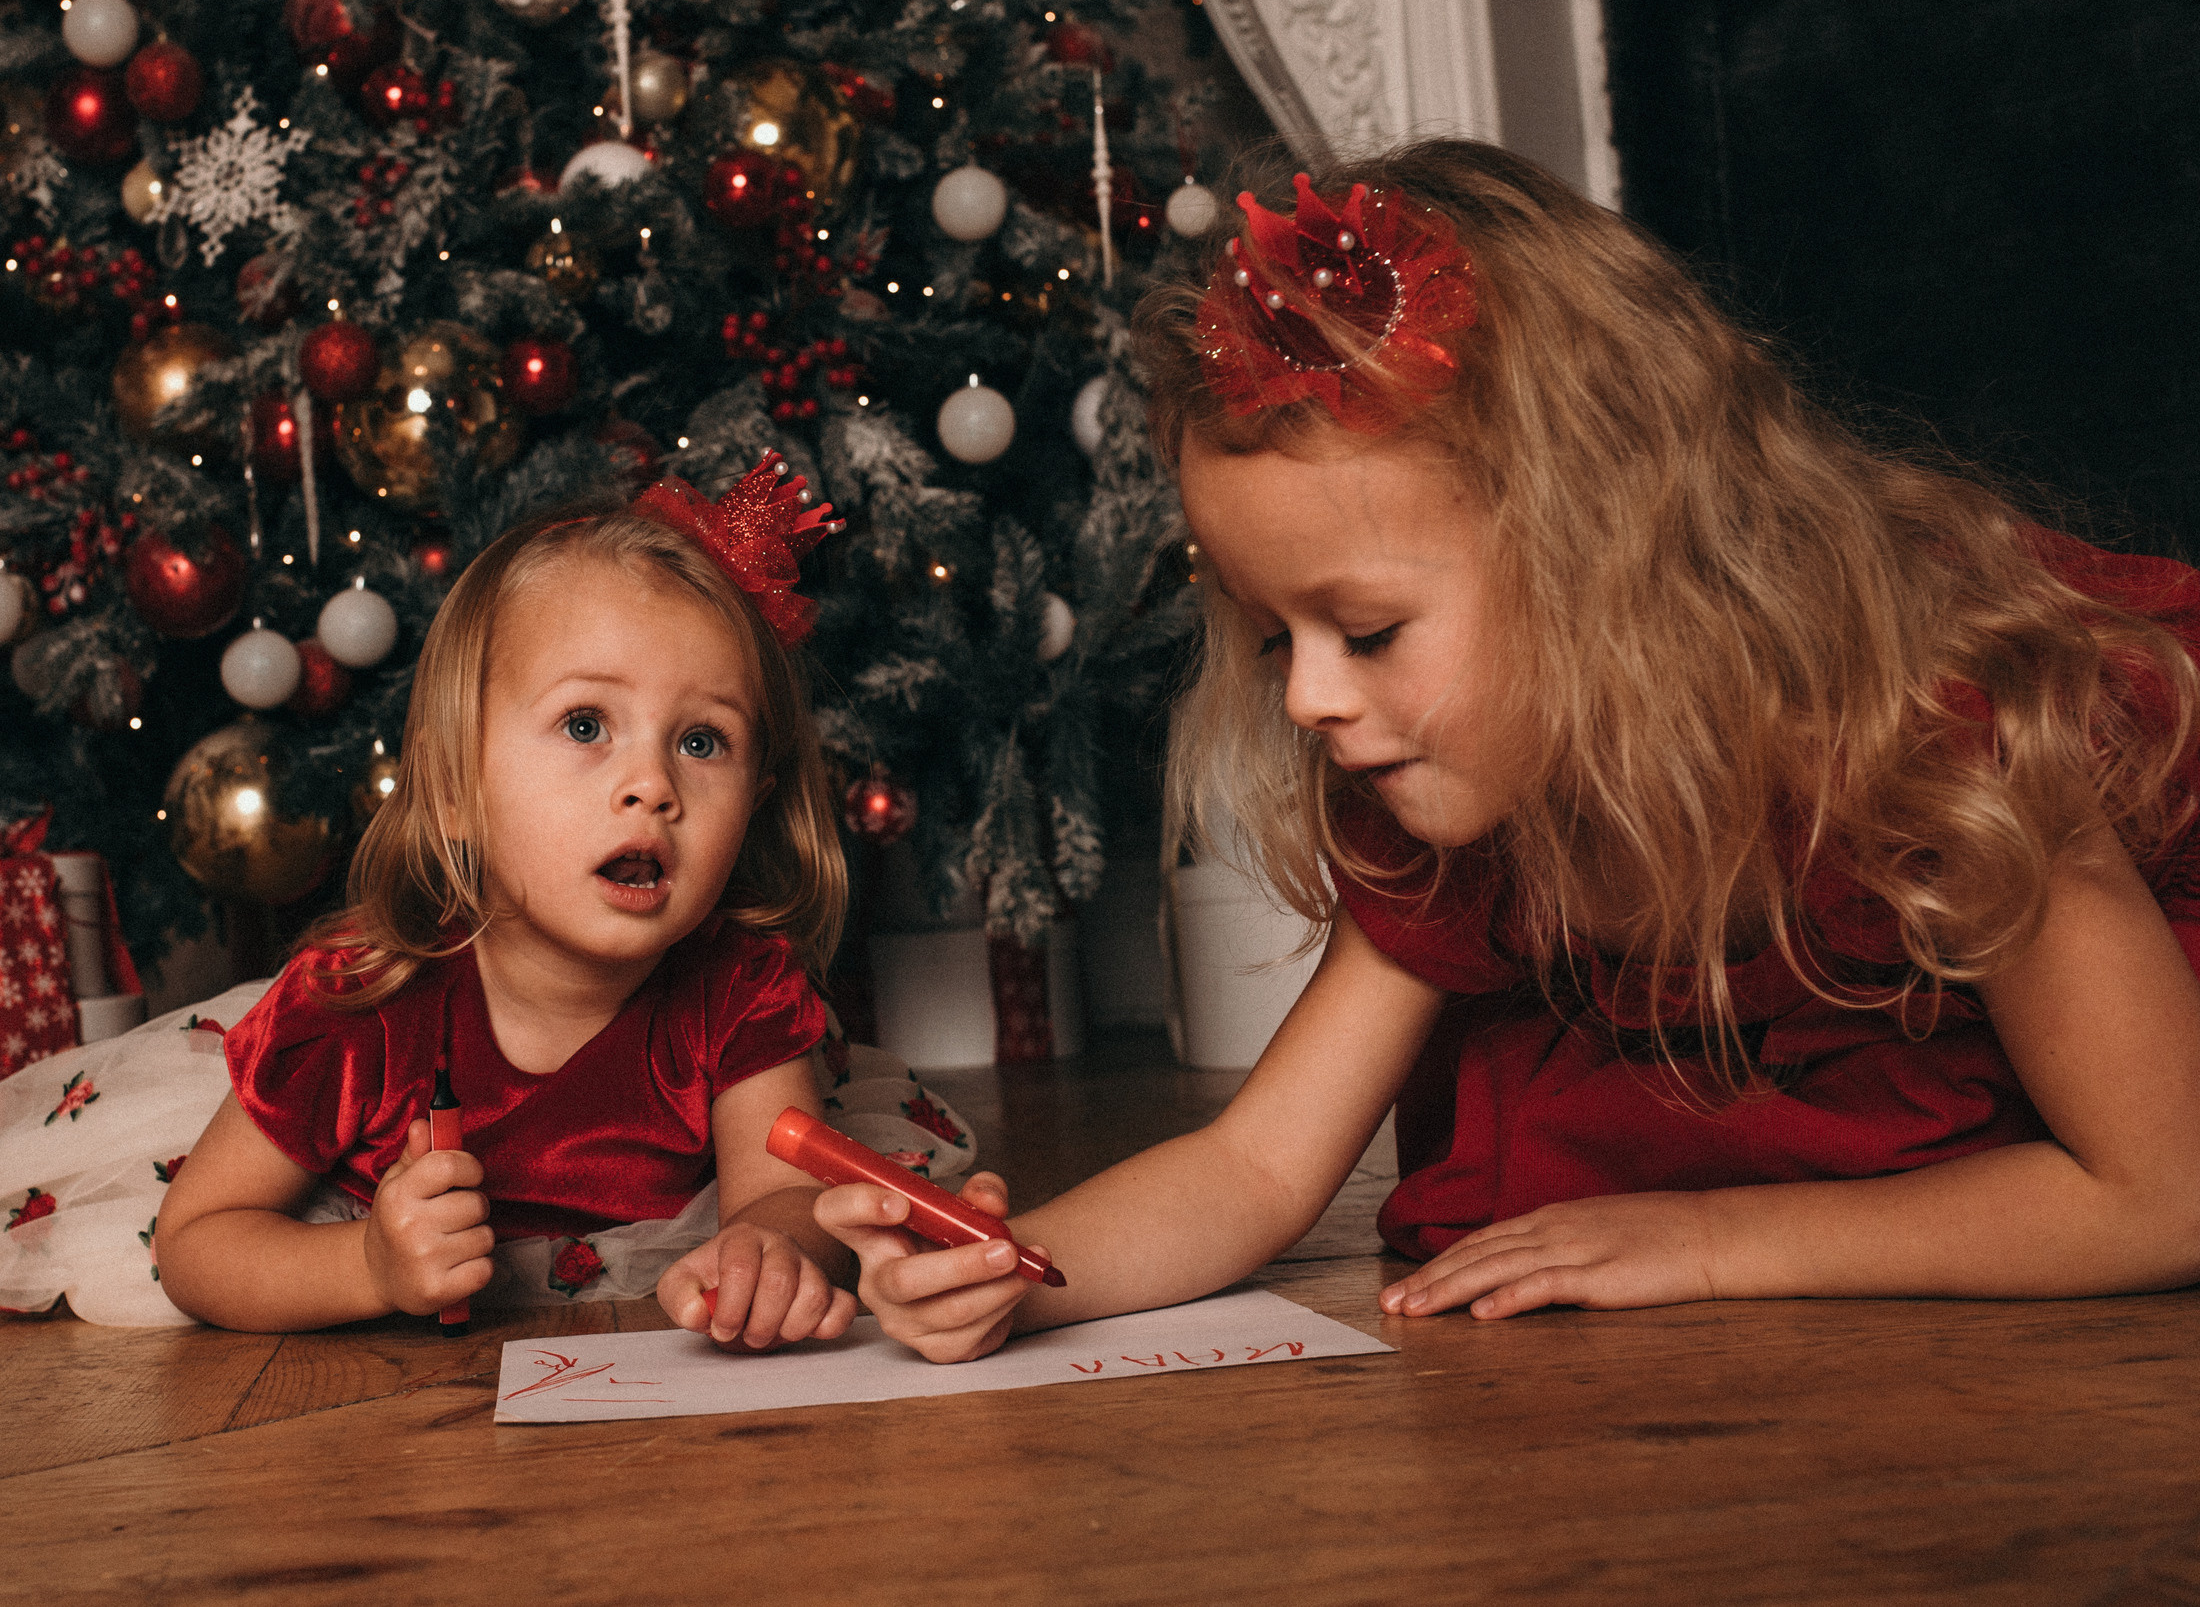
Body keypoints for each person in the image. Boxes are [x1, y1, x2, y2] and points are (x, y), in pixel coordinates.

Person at [818, 139, 2200, 1362]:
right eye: (1266, 639)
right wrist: (1022, 1270)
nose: (1304, 697)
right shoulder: (1461, 818)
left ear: (1605, 552)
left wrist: (1716, 1244)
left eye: (1364, 631)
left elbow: (2163, 1191)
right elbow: (1252, 1164)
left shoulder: (1943, 746)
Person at [0, 458, 976, 1337]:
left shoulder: (738, 986)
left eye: (703, 742)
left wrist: (769, 1255)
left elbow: (776, 1195)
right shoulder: (365, 1001)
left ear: (756, 796)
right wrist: (365, 1268)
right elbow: (196, 1244)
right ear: (459, 790)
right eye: (585, 724)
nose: (650, 786)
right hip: (355, 1214)